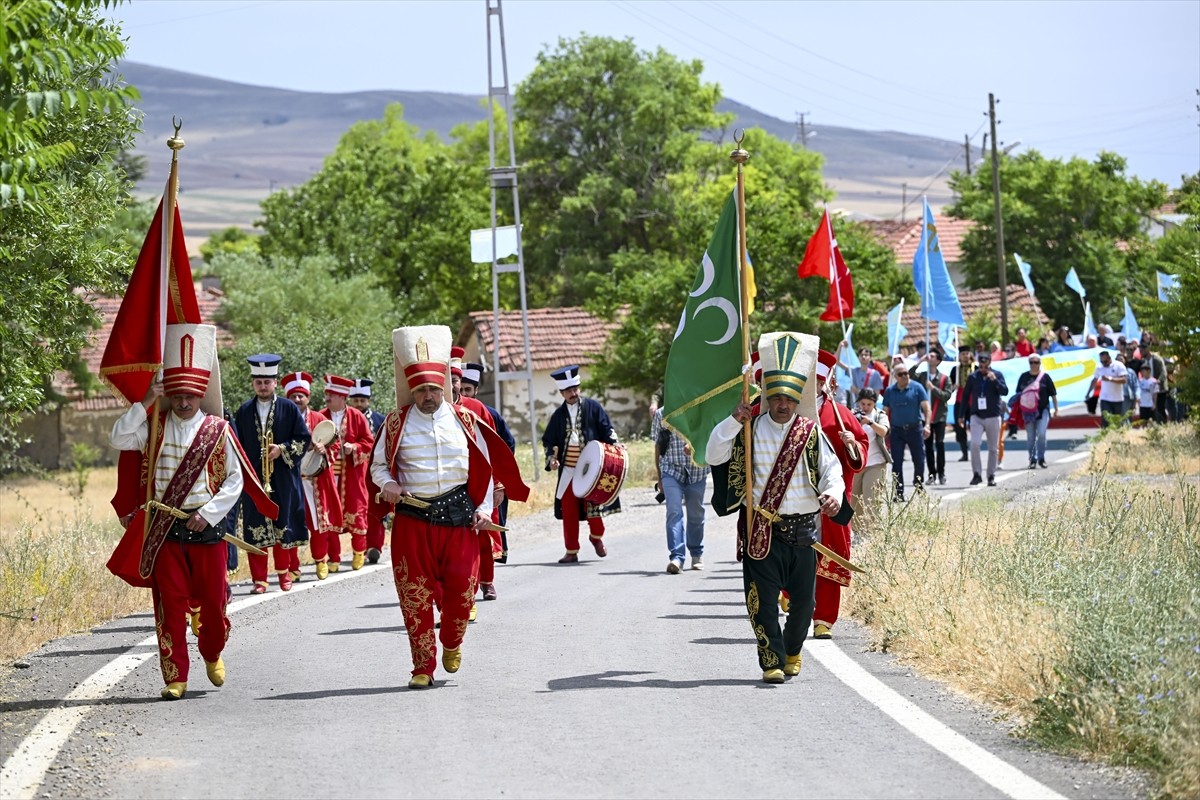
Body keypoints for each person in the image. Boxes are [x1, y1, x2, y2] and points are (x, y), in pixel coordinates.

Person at [108, 324, 271, 700]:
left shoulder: (218, 430)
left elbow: (234, 480)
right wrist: (148, 399)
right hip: (165, 529)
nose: (183, 403)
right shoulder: (154, 426)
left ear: (201, 395)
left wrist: (211, 513)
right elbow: (118, 438)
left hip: (207, 528)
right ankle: (175, 676)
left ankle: (212, 651)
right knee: (170, 606)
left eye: (190, 397)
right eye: (177, 396)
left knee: (214, 604)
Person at [371, 325, 527, 688]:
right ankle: (422, 667)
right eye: (421, 390)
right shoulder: (395, 423)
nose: (427, 395)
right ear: (412, 389)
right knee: (415, 596)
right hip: (413, 519)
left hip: (459, 518)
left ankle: (452, 642)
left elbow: (485, 470)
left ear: (443, 385)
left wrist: (485, 509)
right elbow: (378, 465)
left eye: (432, 388)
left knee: (460, 591)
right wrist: (389, 483)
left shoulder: (466, 420)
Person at [706, 331, 846, 683]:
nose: (782, 404)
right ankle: (771, 660)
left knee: (803, 607)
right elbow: (713, 453)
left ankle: (794, 650)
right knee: (763, 603)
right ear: (767, 396)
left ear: (797, 398)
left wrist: (833, 495)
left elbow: (832, 471)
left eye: (788, 398)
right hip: (761, 529)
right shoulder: (748, 429)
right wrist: (733, 421)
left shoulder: (810, 432)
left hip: (803, 532)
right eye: (776, 397)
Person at [234, 354, 310, 593]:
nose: (263, 386)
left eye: (267, 382)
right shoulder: (244, 411)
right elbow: (237, 445)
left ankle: (284, 575)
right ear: (253, 383)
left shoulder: (289, 407)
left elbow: (303, 438)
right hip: (255, 478)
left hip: (284, 478)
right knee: (255, 526)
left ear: (275, 383)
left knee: (283, 525)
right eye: (259, 382)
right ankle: (260, 580)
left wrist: (282, 449)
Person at [811, 350, 866, 640]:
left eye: (819, 380)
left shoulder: (841, 415)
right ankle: (793, 598)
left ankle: (824, 618)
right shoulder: (785, 410)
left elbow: (860, 449)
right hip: (793, 496)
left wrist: (851, 444)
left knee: (829, 553)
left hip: (832, 496)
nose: (815, 385)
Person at [542, 365, 620, 564]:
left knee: (594, 509)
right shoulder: (558, 416)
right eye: (568, 390)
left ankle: (596, 537)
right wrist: (551, 458)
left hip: (591, 470)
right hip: (568, 470)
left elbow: (607, 430)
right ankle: (571, 550)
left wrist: (616, 446)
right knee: (569, 510)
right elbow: (549, 441)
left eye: (576, 388)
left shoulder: (593, 407)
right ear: (561, 393)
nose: (573, 393)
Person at [282, 371, 344, 579]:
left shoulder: (319, 419)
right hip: (291, 480)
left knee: (318, 523)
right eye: (293, 396)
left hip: (315, 481)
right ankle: (293, 567)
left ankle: (321, 560)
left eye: (301, 396)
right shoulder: (282, 420)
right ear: (288, 398)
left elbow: (335, 446)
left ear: (308, 397)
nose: (298, 399)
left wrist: (323, 451)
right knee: (291, 522)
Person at [461, 362, 516, 579]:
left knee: (485, 525)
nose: (464, 393)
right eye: (460, 388)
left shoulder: (488, 414)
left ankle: (486, 579)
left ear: (475, 390)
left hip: (488, 479)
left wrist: (499, 482)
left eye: (468, 389)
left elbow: (505, 447)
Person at [318, 375, 375, 571]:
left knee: (356, 512)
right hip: (328, 474)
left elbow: (369, 443)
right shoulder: (321, 416)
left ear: (342, 397)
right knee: (329, 514)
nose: (326, 398)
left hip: (352, 475)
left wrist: (355, 448)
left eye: (330, 395)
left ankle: (359, 552)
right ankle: (333, 558)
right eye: (326, 394)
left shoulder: (356, 417)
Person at [651, 401, 709, 574]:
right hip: (671, 470)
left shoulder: (701, 409)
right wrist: (659, 476)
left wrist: (695, 446)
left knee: (696, 513)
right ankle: (676, 557)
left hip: (697, 470)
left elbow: (709, 436)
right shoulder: (661, 414)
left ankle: (697, 554)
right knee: (674, 511)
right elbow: (657, 446)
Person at [349, 378, 390, 565]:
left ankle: (375, 547)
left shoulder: (380, 420)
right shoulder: (346, 419)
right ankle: (361, 547)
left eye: (362, 400)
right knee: (357, 511)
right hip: (354, 473)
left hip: (375, 472)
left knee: (376, 510)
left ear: (369, 400)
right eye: (355, 400)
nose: (359, 404)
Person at [881, 363, 930, 501]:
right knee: (896, 463)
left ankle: (919, 484)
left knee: (919, 460)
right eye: (901, 374)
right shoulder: (890, 391)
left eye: (906, 373)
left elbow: (927, 408)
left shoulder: (917, 387)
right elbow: (885, 411)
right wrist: (885, 429)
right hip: (897, 431)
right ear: (895, 376)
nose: (905, 376)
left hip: (915, 429)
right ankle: (899, 492)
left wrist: (927, 426)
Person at [963, 352, 1009, 486]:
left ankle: (991, 475)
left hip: (993, 415)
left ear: (989, 363)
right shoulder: (973, 377)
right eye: (981, 364)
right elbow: (966, 396)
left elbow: (1004, 391)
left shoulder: (997, 375)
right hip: (976, 415)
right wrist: (961, 415)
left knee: (993, 448)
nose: (983, 367)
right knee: (975, 444)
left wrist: (995, 380)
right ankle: (977, 473)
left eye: (985, 364)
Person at [1011, 355, 1058, 468]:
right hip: (1027, 411)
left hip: (1043, 410)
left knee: (1041, 434)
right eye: (1031, 362)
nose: (1033, 364)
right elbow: (1018, 393)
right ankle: (1032, 459)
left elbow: (1053, 394)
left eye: (1036, 362)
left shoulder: (1045, 377)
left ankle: (1041, 458)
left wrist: (1056, 409)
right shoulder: (1024, 377)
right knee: (1031, 436)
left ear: (1040, 363)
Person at [852, 389, 891, 512]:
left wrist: (870, 423)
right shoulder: (852, 414)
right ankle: (857, 531)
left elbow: (884, 432)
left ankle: (872, 530)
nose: (866, 407)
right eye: (863, 404)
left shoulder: (879, 415)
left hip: (875, 462)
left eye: (869, 404)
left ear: (874, 403)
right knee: (854, 501)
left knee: (872, 501)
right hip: (857, 463)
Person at [920, 348, 952, 485]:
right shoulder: (922, 376)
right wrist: (920, 361)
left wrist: (933, 388)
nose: (929, 357)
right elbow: (909, 375)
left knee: (940, 444)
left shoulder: (945, 378)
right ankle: (931, 474)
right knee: (928, 447)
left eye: (932, 356)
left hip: (939, 416)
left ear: (938, 360)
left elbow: (946, 396)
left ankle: (942, 473)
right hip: (925, 417)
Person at [952, 345, 974, 462]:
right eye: (963, 354)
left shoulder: (975, 368)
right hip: (960, 401)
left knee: (975, 425)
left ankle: (975, 449)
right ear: (959, 356)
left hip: (973, 401)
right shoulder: (955, 370)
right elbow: (948, 387)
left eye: (967, 353)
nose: (965, 356)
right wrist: (953, 386)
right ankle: (964, 452)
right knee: (959, 427)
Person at [1095, 349, 1127, 427]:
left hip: (1117, 398)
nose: (1103, 363)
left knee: (1117, 421)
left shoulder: (1119, 365)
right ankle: (1106, 437)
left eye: (1105, 361)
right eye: (1102, 361)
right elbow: (1094, 379)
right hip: (1105, 398)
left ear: (1109, 358)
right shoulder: (1099, 367)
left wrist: (1110, 379)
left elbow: (1124, 380)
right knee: (1106, 420)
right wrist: (1088, 393)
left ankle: (1117, 436)